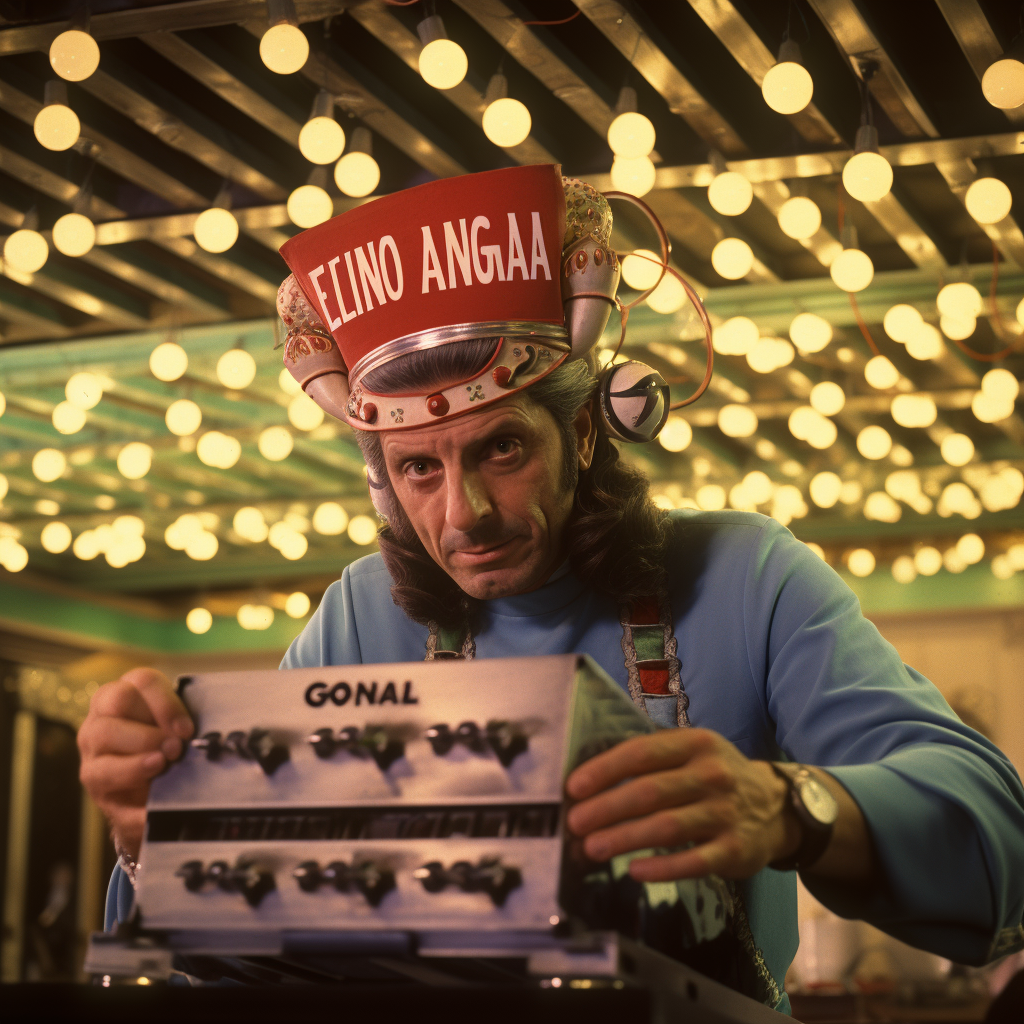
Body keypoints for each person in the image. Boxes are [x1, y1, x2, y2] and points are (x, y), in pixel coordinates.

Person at [78, 165, 1024, 1011]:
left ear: (581, 433)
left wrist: (787, 808)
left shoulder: (748, 576)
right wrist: (157, 828)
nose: (466, 514)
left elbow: (997, 842)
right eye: (418, 470)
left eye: (502, 449)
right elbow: (214, 948)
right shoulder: (358, 615)